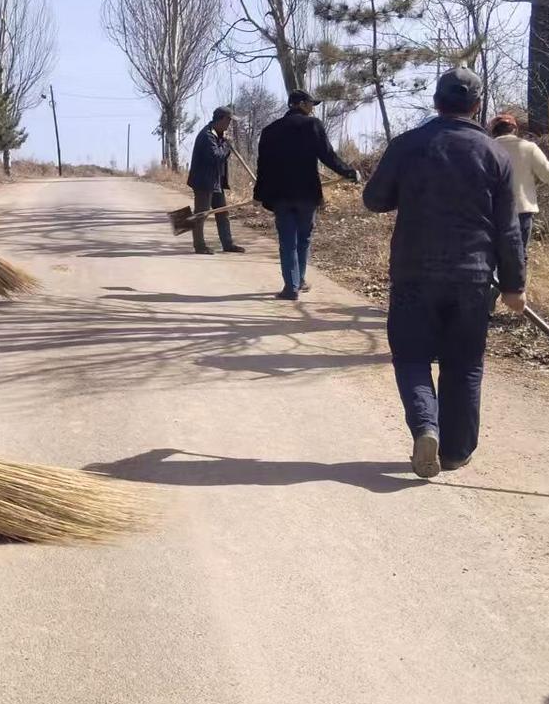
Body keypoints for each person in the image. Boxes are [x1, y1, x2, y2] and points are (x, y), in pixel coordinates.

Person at [363, 69, 526, 480]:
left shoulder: (408, 145)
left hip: (413, 274)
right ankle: (455, 452)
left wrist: (409, 186)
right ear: (476, 106)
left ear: (436, 101)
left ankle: (425, 428)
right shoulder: (495, 154)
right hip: (473, 279)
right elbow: (508, 228)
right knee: (464, 365)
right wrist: (514, 285)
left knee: (413, 357)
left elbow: (375, 199)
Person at [254, 89, 359, 300]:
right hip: (307, 194)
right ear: (301, 104)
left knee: (287, 241)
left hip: (280, 196)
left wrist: (258, 194)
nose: (312, 108)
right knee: (304, 238)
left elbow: (262, 167)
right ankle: (299, 279)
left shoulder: (270, 131)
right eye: (311, 104)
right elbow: (328, 156)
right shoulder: (312, 126)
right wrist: (348, 171)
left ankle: (291, 287)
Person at [489, 113, 549, 252]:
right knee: (518, 257)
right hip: (522, 211)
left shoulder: (486, 148)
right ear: (514, 129)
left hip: (492, 212)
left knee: (493, 257)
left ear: (493, 131)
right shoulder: (528, 148)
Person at [186, 107, 246, 255]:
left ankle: (228, 244)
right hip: (204, 182)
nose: (230, 124)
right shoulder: (207, 136)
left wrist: (224, 142)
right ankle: (199, 246)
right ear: (222, 119)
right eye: (229, 120)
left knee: (223, 213)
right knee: (201, 214)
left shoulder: (217, 134)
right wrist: (226, 145)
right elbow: (217, 156)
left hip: (215, 181)